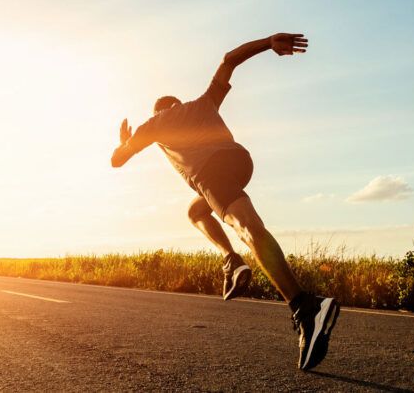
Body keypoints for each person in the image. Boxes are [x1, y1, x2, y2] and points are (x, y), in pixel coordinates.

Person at [110, 32, 339, 370]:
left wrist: (125, 142)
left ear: (158, 111)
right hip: (239, 162)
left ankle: (304, 306)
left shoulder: (153, 124)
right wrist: (269, 41)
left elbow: (117, 161)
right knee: (197, 210)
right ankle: (232, 260)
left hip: (210, 173)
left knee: (247, 228)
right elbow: (229, 59)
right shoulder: (203, 103)